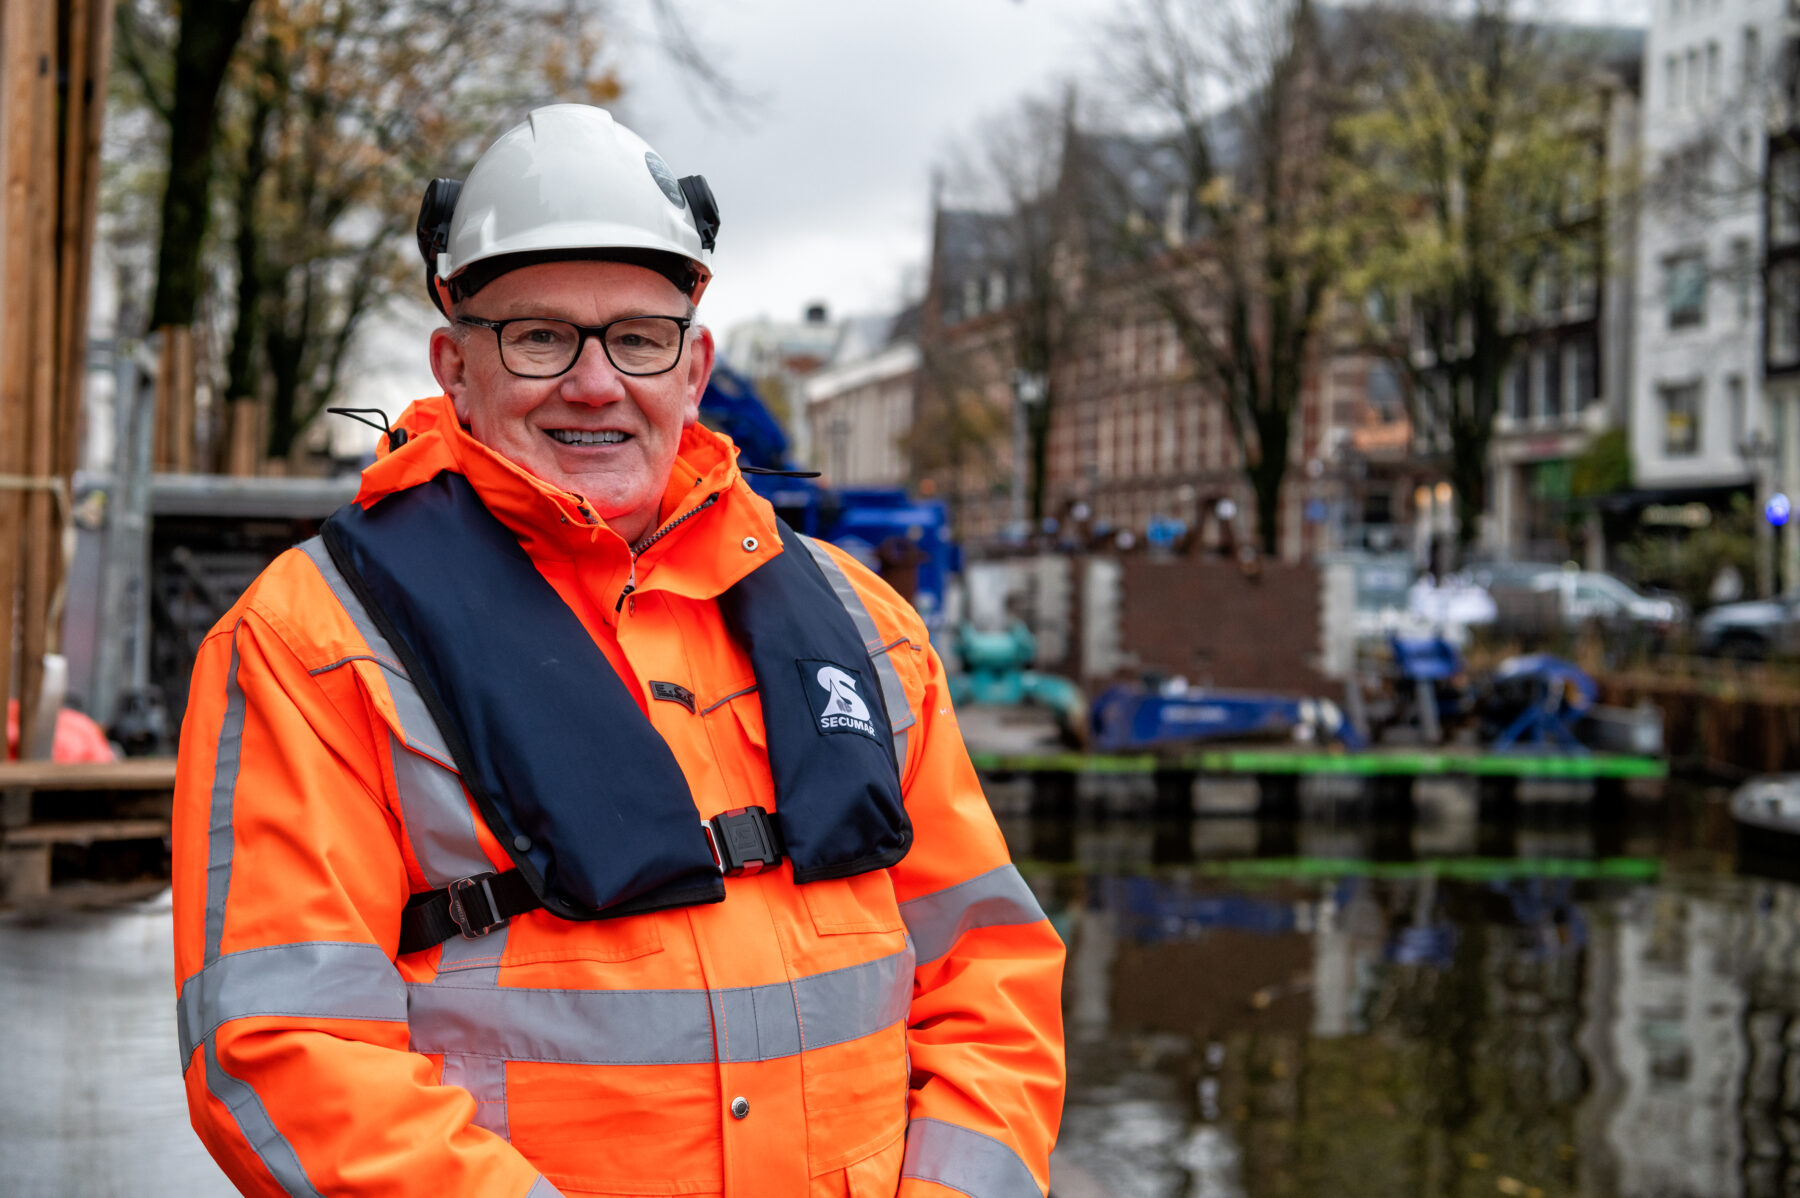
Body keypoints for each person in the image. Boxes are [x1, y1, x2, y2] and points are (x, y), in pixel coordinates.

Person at [170, 104, 1065, 1198]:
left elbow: (992, 975)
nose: (595, 383)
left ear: (694, 368)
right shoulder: (312, 644)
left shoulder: (866, 628)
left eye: (638, 337)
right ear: (457, 366)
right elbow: (283, 1050)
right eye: (539, 336)